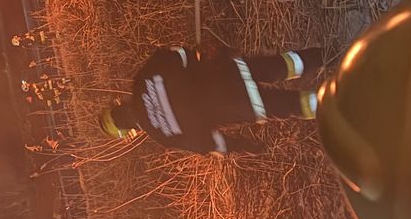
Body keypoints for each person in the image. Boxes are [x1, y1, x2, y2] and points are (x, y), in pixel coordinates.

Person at [98, 45, 325, 153]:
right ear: (119, 105)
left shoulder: (162, 134)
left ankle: (335, 100)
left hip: (242, 106)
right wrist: (200, 56)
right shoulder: (142, 81)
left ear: (129, 132)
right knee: (283, 65)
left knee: (296, 105)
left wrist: (243, 145)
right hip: (229, 71)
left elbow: (208, 143)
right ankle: (330, 55)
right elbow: (176, 55)